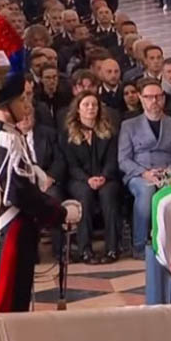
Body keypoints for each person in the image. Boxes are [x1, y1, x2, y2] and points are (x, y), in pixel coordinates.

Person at [0, 71, 81, 312]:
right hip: (11, 229)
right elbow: (19, 192)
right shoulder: (3, 139)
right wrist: (59, 213)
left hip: (19, 226)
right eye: (22, 98)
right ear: (6, 104)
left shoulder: (7, 133)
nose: (27, 105)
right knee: (8, 299)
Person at [117, 78, 171, 260]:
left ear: (163, 98)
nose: (154, 101)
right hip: (140, 174)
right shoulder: (129, 126)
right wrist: (144, 173)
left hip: (170, 172)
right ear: (141, 99)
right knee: (146, 192)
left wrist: (169, 172)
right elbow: (123, 159)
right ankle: (140, 246)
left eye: (158, 97)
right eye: (149, 97)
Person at [62, 91, 122, 264]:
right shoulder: (68, 134)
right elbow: (71, 165)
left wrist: (103, 177)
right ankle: (85, 250)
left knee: (108, 195)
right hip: (80, 179)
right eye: (86, 105)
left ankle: (112, 248)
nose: (91, 108)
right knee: (85, 196)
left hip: (106, 177)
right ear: (78, 109)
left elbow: (112, 160)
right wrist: (88, 179)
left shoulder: (109, 132)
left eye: (94, 105)